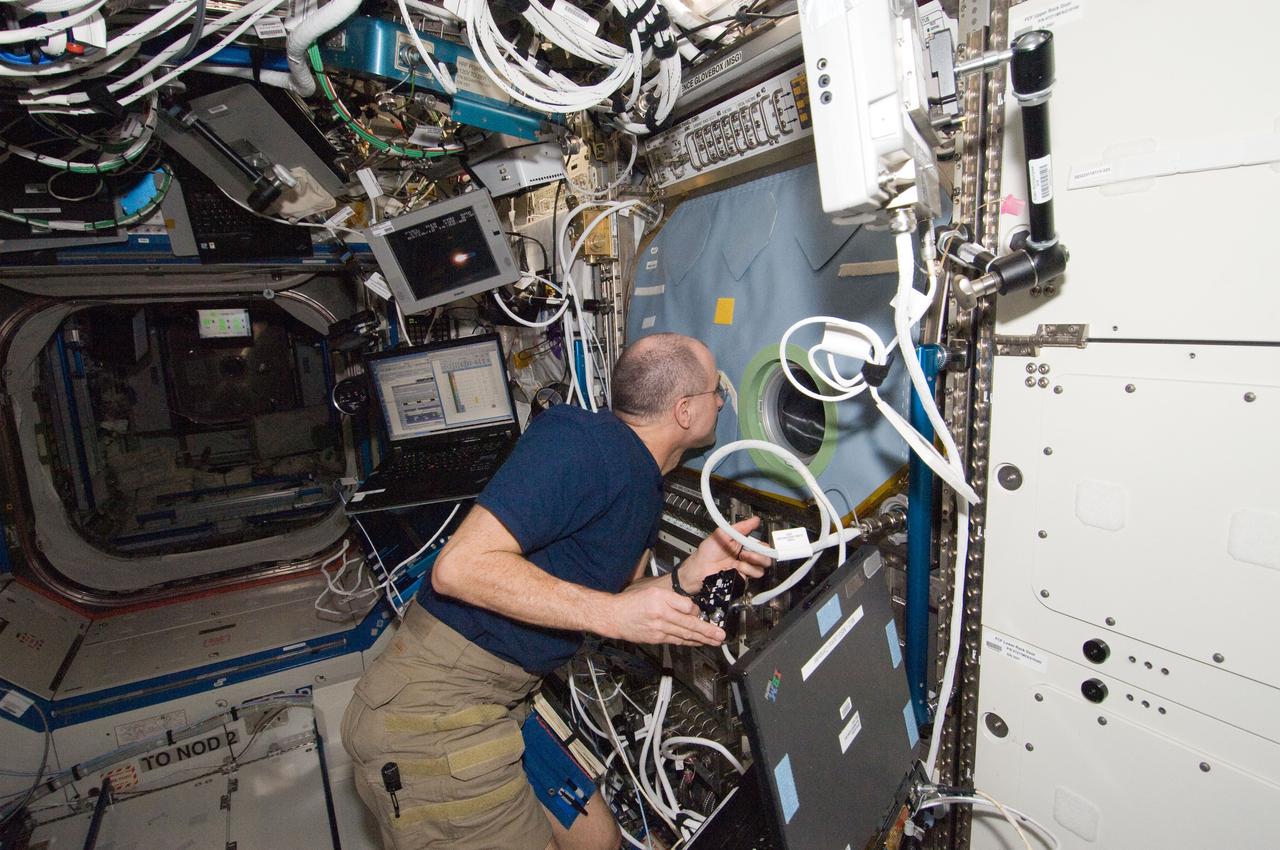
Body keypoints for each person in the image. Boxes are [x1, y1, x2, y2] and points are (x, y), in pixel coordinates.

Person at [341, 332, 770, 850]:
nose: (723, 400)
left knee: (595, 839)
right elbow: (458, 568)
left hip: (506, 699)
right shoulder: (581, 441)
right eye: (715, 390)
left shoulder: (644, 478)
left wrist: (688, 574)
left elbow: (614, 588)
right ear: (684, 411)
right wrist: (610, 615)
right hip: (436, 713)